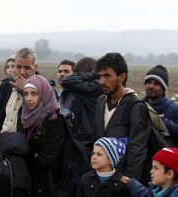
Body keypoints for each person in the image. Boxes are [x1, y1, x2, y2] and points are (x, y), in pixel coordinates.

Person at [93, 53, 149, 182]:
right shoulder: (100, 101)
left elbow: (137, 151)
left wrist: (128, 184)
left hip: (120, 180)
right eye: (100, 76)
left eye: (107, 76)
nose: (102, 81)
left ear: (121, 77)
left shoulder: (135, 106)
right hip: (100, 178)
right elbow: (95, 139)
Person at [56, 57, 102, 197]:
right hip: (74, 150)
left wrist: (94, 74)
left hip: (86, 150)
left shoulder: (94, 89)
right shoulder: (73, 94)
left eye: (70, 72)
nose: (63, 74)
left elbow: (69, 80)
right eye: (60, 71)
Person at [21, 75, 68, 197]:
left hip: (47, 182)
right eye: (26, 94)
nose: (29, 98)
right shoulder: (27, 116)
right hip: (32, 180)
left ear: (44, 94)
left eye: (34, 94)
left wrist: (26, 171)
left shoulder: (55, 120)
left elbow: (48, 157)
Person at [0, 47, 57, 133]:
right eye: (18, 67)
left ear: (35, 67)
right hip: (2, 139)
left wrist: (25, 89)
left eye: (27, 68)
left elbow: (45, 116)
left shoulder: (45, 87)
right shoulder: (6, 85)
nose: (22, 72)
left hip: (26, 143)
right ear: (14, 65)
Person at [144, 65, 178, 145]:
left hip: (165, 155)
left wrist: (161, 121)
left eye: (156, 84)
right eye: (148, 82)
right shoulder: (139, 105)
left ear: (163, 88)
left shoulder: (173, 108)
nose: (151, 86)